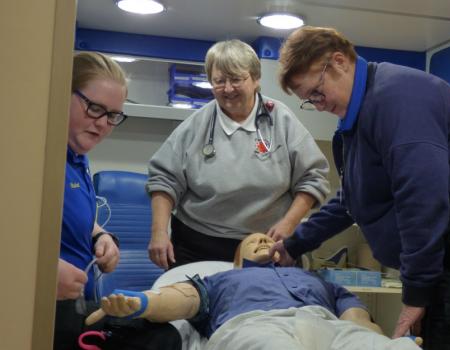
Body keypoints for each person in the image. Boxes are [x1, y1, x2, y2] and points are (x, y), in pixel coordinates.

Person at [269, 26, 450, 350]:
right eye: (308, 101)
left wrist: (415, 292)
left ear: (340, 62)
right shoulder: (361, 117)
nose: (317, 105)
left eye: (316, 92)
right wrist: (296, 243)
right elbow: (354, 198)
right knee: (436, 335)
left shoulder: (396, 97)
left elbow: (422, 199)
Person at [146, 39, 329, 269]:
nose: (228, 89)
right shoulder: (196, 125)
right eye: (219, 81)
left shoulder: (281, 120)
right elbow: (164, 180)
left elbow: (313, 177)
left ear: (255, 79)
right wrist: (159, 232)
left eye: (236, 79)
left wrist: (289, 223)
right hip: (198, 244)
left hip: (267, 244)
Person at [85, 233, 421, 350]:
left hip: (325, 326)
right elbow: (182, 300)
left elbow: (357, 322)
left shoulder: (318, 281)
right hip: (254, 327)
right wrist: (140, 303)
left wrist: (385, 343)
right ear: (236, 258)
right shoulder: (224, 280)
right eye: (254, 239)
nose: (263, 239)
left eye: (267, 238)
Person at [55, 51, 127, 349]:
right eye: (94, 108)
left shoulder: (78, 155)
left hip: (75, 305)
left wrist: (100, 235)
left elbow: (62, 212)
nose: (102, 124)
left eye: (112, 115)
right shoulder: (36, 152)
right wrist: (40, 273)